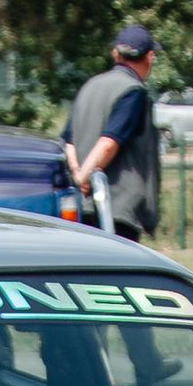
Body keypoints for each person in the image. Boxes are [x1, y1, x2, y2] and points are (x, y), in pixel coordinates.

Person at [65, 25, 161, 241]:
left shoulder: (89, 86)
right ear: (149, 57)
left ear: (115, 54)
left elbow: (68, 141)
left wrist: (77, 173)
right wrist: (84, 177)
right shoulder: (133, 92)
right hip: (116, 210)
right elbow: (108, 143)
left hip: (83, 207)